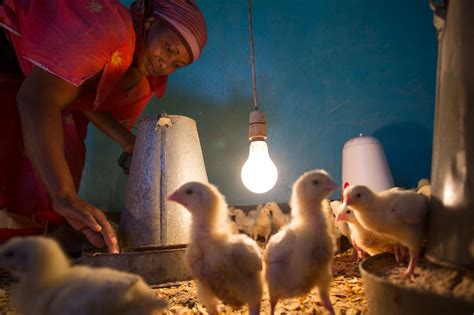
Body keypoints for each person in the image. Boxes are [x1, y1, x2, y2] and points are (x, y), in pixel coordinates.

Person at [0, 0, 207, 253]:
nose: (166, 64)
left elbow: (76, 94)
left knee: (65, 137)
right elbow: (36, 99)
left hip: (27, 69)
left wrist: (129, 142)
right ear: (151, 23)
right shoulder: (106, 32)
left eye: (177, 64)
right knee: (20, 138)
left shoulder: (134, 75)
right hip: (7, 42)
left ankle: (26, 244)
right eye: (168, 48)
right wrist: (64, 196)